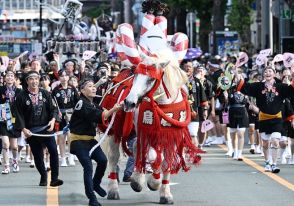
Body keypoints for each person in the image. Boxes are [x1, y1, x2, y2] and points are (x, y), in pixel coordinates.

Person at [69, 78, 122, 206]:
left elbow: (101, 110)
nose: (94, 88)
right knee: (88, 167)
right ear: (82, 90)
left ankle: (96, 184)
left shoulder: (91, 102)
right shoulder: (82, 103)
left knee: (103, 161)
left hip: (90, 141)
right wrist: (113, 110)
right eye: (90, 86)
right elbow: (98, 116)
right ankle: (91, 198)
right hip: (78, 141)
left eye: (94, 86)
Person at [237, 66, 294, 173]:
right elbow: (244, 87)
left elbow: (291, 89)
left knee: (275, 141)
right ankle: (267, 162)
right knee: (265, 143)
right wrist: (237, 75)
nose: (268, 73)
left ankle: (274, 164)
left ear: (275, 73)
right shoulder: (258, 86)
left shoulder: (281, 87)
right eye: (266, 72)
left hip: (277, 118)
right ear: (263, 74)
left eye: (270, 71)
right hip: (263, 119)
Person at [14, 70, 63, 186]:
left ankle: (54, 178)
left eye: (36, 78)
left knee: (53, 151)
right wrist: (23, 129)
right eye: (31, 79)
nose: (34, 81)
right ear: (27, 81)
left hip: (46, 129)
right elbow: (17, 114)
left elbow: (54, 109)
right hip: (32, 131)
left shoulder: (45, 93)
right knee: (38, 155)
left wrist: (52, 120)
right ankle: (43, 176)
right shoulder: (21, 96)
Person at [52, 69, 79, 167]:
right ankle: (63, 158)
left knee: (71, 137)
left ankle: (71, 156)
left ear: (68, 77)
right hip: (60, 116)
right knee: (61, 138)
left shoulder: (72, 88)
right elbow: (53, 104)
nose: (64, 78)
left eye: (65, 76)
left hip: (71, 115)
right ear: (59, 78)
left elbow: (78, 102)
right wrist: (56, 113)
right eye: (61, 76)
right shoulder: (56, 90)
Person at [0, 70, 22, 174]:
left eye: (11, 76)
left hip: (14, 121)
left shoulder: (19, 91)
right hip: (3, 120)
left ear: (14, 79)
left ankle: (15, 161)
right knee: (5, 143)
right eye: (7, 76)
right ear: (4, 79)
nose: (9, 77)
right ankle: (6, 166)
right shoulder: (0, 90)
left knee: (14, 146)